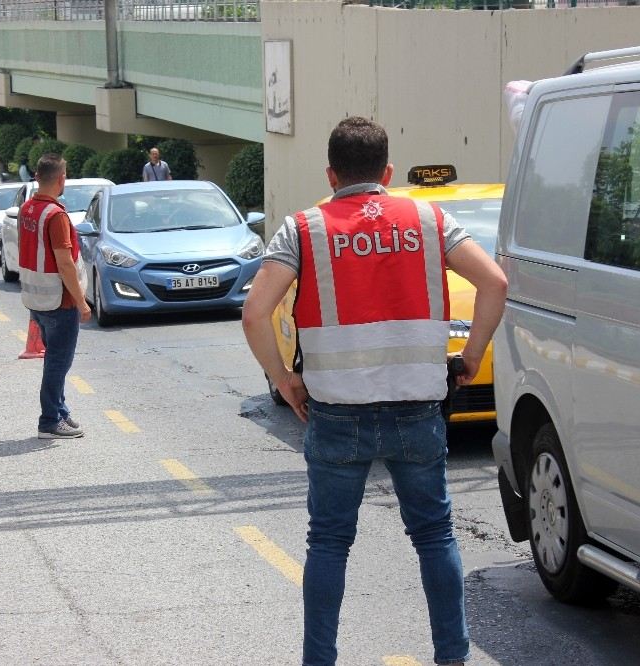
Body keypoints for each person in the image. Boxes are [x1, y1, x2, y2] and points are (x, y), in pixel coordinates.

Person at [242, 117, 508, 666]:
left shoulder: (303, 228)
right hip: (418, 409)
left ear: (331, 174)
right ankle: (451, 657)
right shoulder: (430, 219)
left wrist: (286, 380)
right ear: (387, 171)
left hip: (336, 414)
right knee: (434, 537)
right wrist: (473, 356)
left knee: (329, 544)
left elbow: (254, 313)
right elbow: (495, 283)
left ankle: (320, 660)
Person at [18, 153, 92, 439]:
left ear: (37, 177)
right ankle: (49, 421)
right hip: (59, 301)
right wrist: (81, 302)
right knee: (58, 363)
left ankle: (60, 411)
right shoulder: (56, 215)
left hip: (36, 299)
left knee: (54, 359)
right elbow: (64, 262)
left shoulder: (28, 209)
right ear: (62, 179)